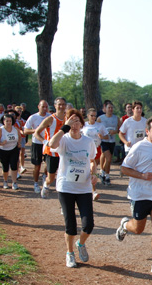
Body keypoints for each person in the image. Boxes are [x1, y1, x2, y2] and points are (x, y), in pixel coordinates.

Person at [115, 116, 152, 276]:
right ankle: (125, 225)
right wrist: (142, 176)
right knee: (138, 229)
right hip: (140, 194)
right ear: (147, 131)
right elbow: (124, 168)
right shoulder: (139, 147)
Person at [48, 108, 98, 268]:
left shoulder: (88, 141)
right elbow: (51, 144)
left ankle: (80, 244)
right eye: (71, 121)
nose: (74, 125)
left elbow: (92, 160)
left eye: (77, 121)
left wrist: (93, 173)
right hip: (66, 187)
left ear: (82, 124)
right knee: (70, 225)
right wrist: (64, 128)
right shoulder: (64, 140)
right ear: (67, 123)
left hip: (83, 187)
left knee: (88, 224)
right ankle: (69, 254)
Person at [35, 97, 67, 198]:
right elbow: (36, 133)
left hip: (64, 152)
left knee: (64, 177)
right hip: (51, 152)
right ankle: (46, 184)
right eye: (59, 104)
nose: (61, 106)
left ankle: (64, 198)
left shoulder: (68, 119)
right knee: (51, 177)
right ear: (55, 106)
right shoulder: (50, 119)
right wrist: (45, 142)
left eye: (63, 104)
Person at [24, 100, 51, 193]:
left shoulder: (50, 117)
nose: (44, 109)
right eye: (43, 106)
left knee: (48, 164)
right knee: (37, 165)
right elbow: (25, 131)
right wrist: (36, 130)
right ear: (38, 106)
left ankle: (44, 177)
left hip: (47, 144)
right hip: (37, 143)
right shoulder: (33, 117)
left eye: (46, 107)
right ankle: (35, 183)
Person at [82, 108, 108, 200]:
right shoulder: (83, 125)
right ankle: (88, 188)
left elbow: (107, 136)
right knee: (87, 169)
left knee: (93, 169)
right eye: (91, 115)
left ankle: (93, 191)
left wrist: (102, 136)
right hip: (84, 150)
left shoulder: (100, 126)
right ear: (88, 116)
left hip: (96, 150)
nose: (93, 117)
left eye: (95, 116)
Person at [0, 113, 22, 190]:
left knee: (14, 166)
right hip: (3, 150)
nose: (8, 123)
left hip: (13, 149)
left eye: (10, 121)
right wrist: (1, 143)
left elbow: (19, 137)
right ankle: (5, 181)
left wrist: (19, 143)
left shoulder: (15, 129)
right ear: (3, 121)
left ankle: (14, 182)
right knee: (5, 167)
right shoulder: (0, 130)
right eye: (7, 121)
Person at [97, 100, 119, 186]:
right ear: (105, 109)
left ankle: (102, 173)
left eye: (112, 108)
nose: (110, 109)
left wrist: (115, 131)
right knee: (109, 159)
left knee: (107, 158)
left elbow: (119, 129)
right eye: (109, 108)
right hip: (103, 141)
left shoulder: (116, 118)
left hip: (112, 141)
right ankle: (107, 176)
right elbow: (97, 128)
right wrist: (101, 135)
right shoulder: (100, 118)